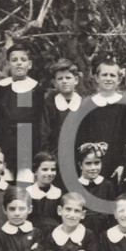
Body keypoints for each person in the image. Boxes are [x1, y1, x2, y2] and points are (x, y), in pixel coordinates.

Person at [76, 57, 126, 183]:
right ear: (97, 78)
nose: (108, 78)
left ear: (119, 79)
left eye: (112, 75)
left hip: (120, 166)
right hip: (92, 166)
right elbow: (80, 138)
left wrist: (123, 164)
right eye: (104, 75)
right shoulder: (86, 105)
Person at [0, 41, 45, 182]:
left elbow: (34, 118)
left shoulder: (34, 87)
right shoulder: (1, 87)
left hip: (27, 143)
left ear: (29, 64)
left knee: (25, 183)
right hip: (4, 141)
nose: (18, 63)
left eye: (23, 60)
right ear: (8, 64)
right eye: (14, 60)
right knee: (5, 183)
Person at [40, 58, 82, 191]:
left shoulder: (85, 104)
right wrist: (51, 158)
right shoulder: (49, 105)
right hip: (56, 159)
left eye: (68, 78)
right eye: (60, 79)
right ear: (54, 82)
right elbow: (43, 133)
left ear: (76, 80)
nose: (64, 81)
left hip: (80, 159)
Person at [74, 141, 117, 236]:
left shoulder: (107, 185)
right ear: (80, 165)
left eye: (97, 163)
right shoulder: (76, 187)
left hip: (104, 233)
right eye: (88, 164)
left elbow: (112, 214)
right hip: (82, 234)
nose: (93, 168)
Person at [27, 151, 62, 231]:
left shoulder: (59, 193)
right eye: (45, 169)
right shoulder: (27, 193)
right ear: (35, 170)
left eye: (53, 169)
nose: (49, 173)